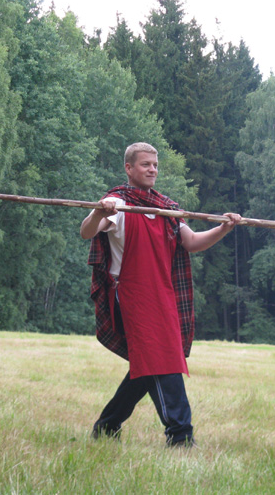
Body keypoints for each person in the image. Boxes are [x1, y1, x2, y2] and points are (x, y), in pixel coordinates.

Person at [80, 142, 241, 447]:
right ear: (129, 168)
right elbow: (87, 231)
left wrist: (223, 228)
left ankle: (107, 426)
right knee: (160, 358)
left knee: (148, 364)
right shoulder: (117, 203)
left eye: (155, 165)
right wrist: (99, 211)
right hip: (130, 296)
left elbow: (191, 242)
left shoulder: (166, 207)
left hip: (163, 296)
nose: (152, 169)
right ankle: (180, 436)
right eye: (145, 164)